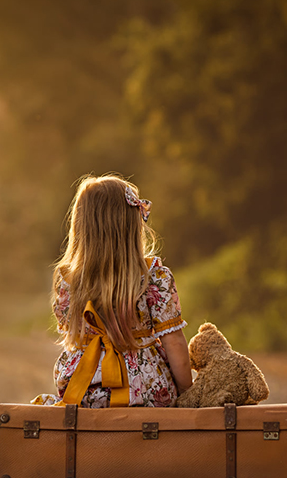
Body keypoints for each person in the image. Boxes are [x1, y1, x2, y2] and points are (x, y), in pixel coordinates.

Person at [32, 175, 193, 408]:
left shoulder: (67, 280)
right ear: (132, 225)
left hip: (84, 389)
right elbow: (175, 343)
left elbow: (69, 332)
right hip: (145, 392)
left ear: (80, 227)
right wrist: (188, 392)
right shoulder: (154, 276)